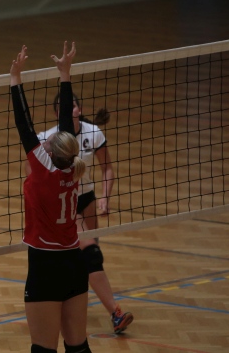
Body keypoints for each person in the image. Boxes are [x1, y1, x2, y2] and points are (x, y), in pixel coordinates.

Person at [10, 42, 92, 353]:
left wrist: (15, 78)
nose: (43, 141)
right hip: (74, 262)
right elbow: (65, 127)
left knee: (44, 350)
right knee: (78, 347)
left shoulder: (45, 170)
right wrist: (65, 74)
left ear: (51, 152)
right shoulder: (72, 167)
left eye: (48, 141)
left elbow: (24, 125)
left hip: (45, 265)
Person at [35, 91, 133, 333]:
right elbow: (34, 177)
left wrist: (105, 197)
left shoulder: (93, 133)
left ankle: (68, 306)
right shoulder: (46, 139)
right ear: (56, 113)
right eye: (64, 108)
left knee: (85, 258)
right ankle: (115, 313)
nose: (70, 110)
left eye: (73, 105)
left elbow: (107, 168)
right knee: (89, 255)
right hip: (62, 203)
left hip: (86, 199)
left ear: (79, 109)